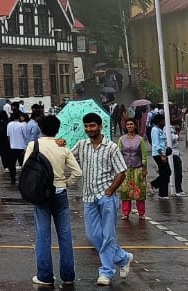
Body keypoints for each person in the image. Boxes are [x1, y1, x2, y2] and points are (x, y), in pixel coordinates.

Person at [72, 112, 134, 287]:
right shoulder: (82, 145)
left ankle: (106, 271)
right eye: (86, 126)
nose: (89, 129)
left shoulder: (111, 147)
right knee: (92, 235)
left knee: (108, 236)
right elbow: (69, 157)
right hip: (89, 196)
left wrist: (110, 190)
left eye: (92, 126)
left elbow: (121, 172)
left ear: (100, 126)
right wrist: (59, 146)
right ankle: (122, 257)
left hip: (106, 196)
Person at [26, 115, 83, 287]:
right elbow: (78, 172)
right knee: (65, 235)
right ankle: (68, 275)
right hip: (60, 192)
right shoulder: (63, 148)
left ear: (41, 129)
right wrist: (66, 182)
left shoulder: (33, 146)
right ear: (57, 129)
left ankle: (45, 275)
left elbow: (27, 169)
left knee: (43, 235)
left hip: (42, 194)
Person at [117, 117, 149, 219]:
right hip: (125, 169)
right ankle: (125, 213)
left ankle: (141, 213)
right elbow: (119, 154)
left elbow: (144, 155)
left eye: (131, 124)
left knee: (139, 191)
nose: (130, 126)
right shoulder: (122, 139)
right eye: (128, 124)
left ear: (135, 126)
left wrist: (144, 168)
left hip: (138, 168)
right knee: (125, 191)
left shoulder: (140, 139)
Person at [7, 112, 30, 183]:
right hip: (21, 147)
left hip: (12, 147)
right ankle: (24, 177)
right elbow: (25, 136)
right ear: (19, 117)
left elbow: (8, 136)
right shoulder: (21, 125)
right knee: (22, 163)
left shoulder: (9, 125)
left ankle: (12, 177)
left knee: (12, 164)